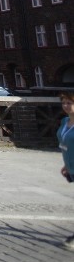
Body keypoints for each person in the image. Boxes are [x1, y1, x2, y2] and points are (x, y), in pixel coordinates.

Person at [58, 91, 74, 250]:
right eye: (64, 103)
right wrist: (66, 164)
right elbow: (65, 145)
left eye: (69, 103)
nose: (66, 106)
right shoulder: (64, 122)